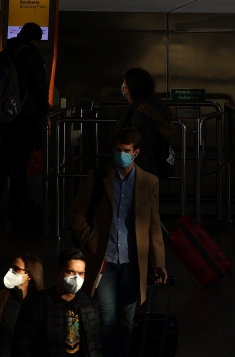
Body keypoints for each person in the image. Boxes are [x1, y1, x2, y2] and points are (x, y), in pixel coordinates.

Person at [67, 128, 167, 357]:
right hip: (106, 259)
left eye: (126, 151)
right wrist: (88, 239)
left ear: (136, 152)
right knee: (107, 318)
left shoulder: (148, 182)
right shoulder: (99, 178)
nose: (121, 154)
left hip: (133, 262)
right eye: (118, 150)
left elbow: (153, 224)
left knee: (126, 320)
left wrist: (158, 262)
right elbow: (76, 212)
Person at [0, 22, 49, 231]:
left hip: (5, 119)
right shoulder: (32, 53)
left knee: (1, 167)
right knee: (19, 170)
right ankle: (12, 218)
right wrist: (44, 110)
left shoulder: (4, 53)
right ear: (34, 39)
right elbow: (39, 86)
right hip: (25, 119)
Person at [12, 249, 104, 357]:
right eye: (71, 272)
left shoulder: (89, 305)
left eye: (81, 273)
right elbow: (22, 345)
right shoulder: (39, 304)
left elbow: (95, 346)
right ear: (58, 273)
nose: (77, 278)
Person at [0, 253, 45, 357]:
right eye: (11, 267)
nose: (11, 271)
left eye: (16, 268)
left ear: (30, 276)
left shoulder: (41, 302)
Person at [116, 68, 174, 178]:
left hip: (143, 173)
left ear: (132, 88)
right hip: (151, 170)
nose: (123, 88)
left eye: (125, 85)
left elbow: (142, 149)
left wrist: (135, 176)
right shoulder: (153, 107)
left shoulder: (140, 115)